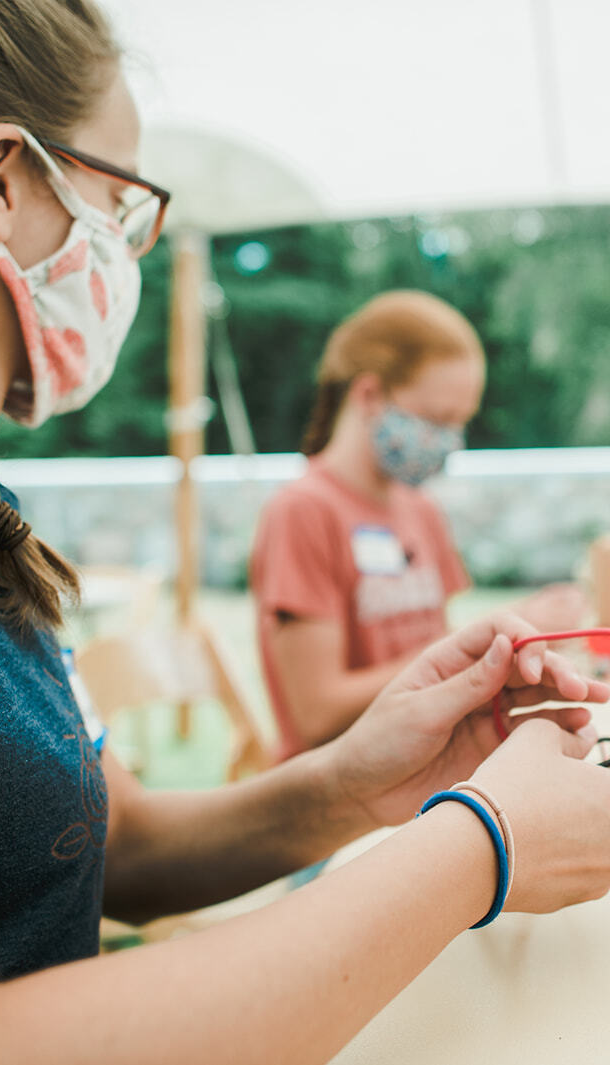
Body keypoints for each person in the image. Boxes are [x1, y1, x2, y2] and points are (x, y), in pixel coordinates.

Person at [0, 4, 610, 1063]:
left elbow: (116, 845)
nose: (129, 252)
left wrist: (357, 784)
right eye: (123, 203)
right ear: (4, 182)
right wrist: (476, 850)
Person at [250, 291, 585, 760]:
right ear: (369, 394)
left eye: (461, 422)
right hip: (339, 796)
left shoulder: (421, 511)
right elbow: (317, 713)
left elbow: (436, 656)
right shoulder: (303, 512)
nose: (449, 441)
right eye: (437, 419)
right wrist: (479, 647)